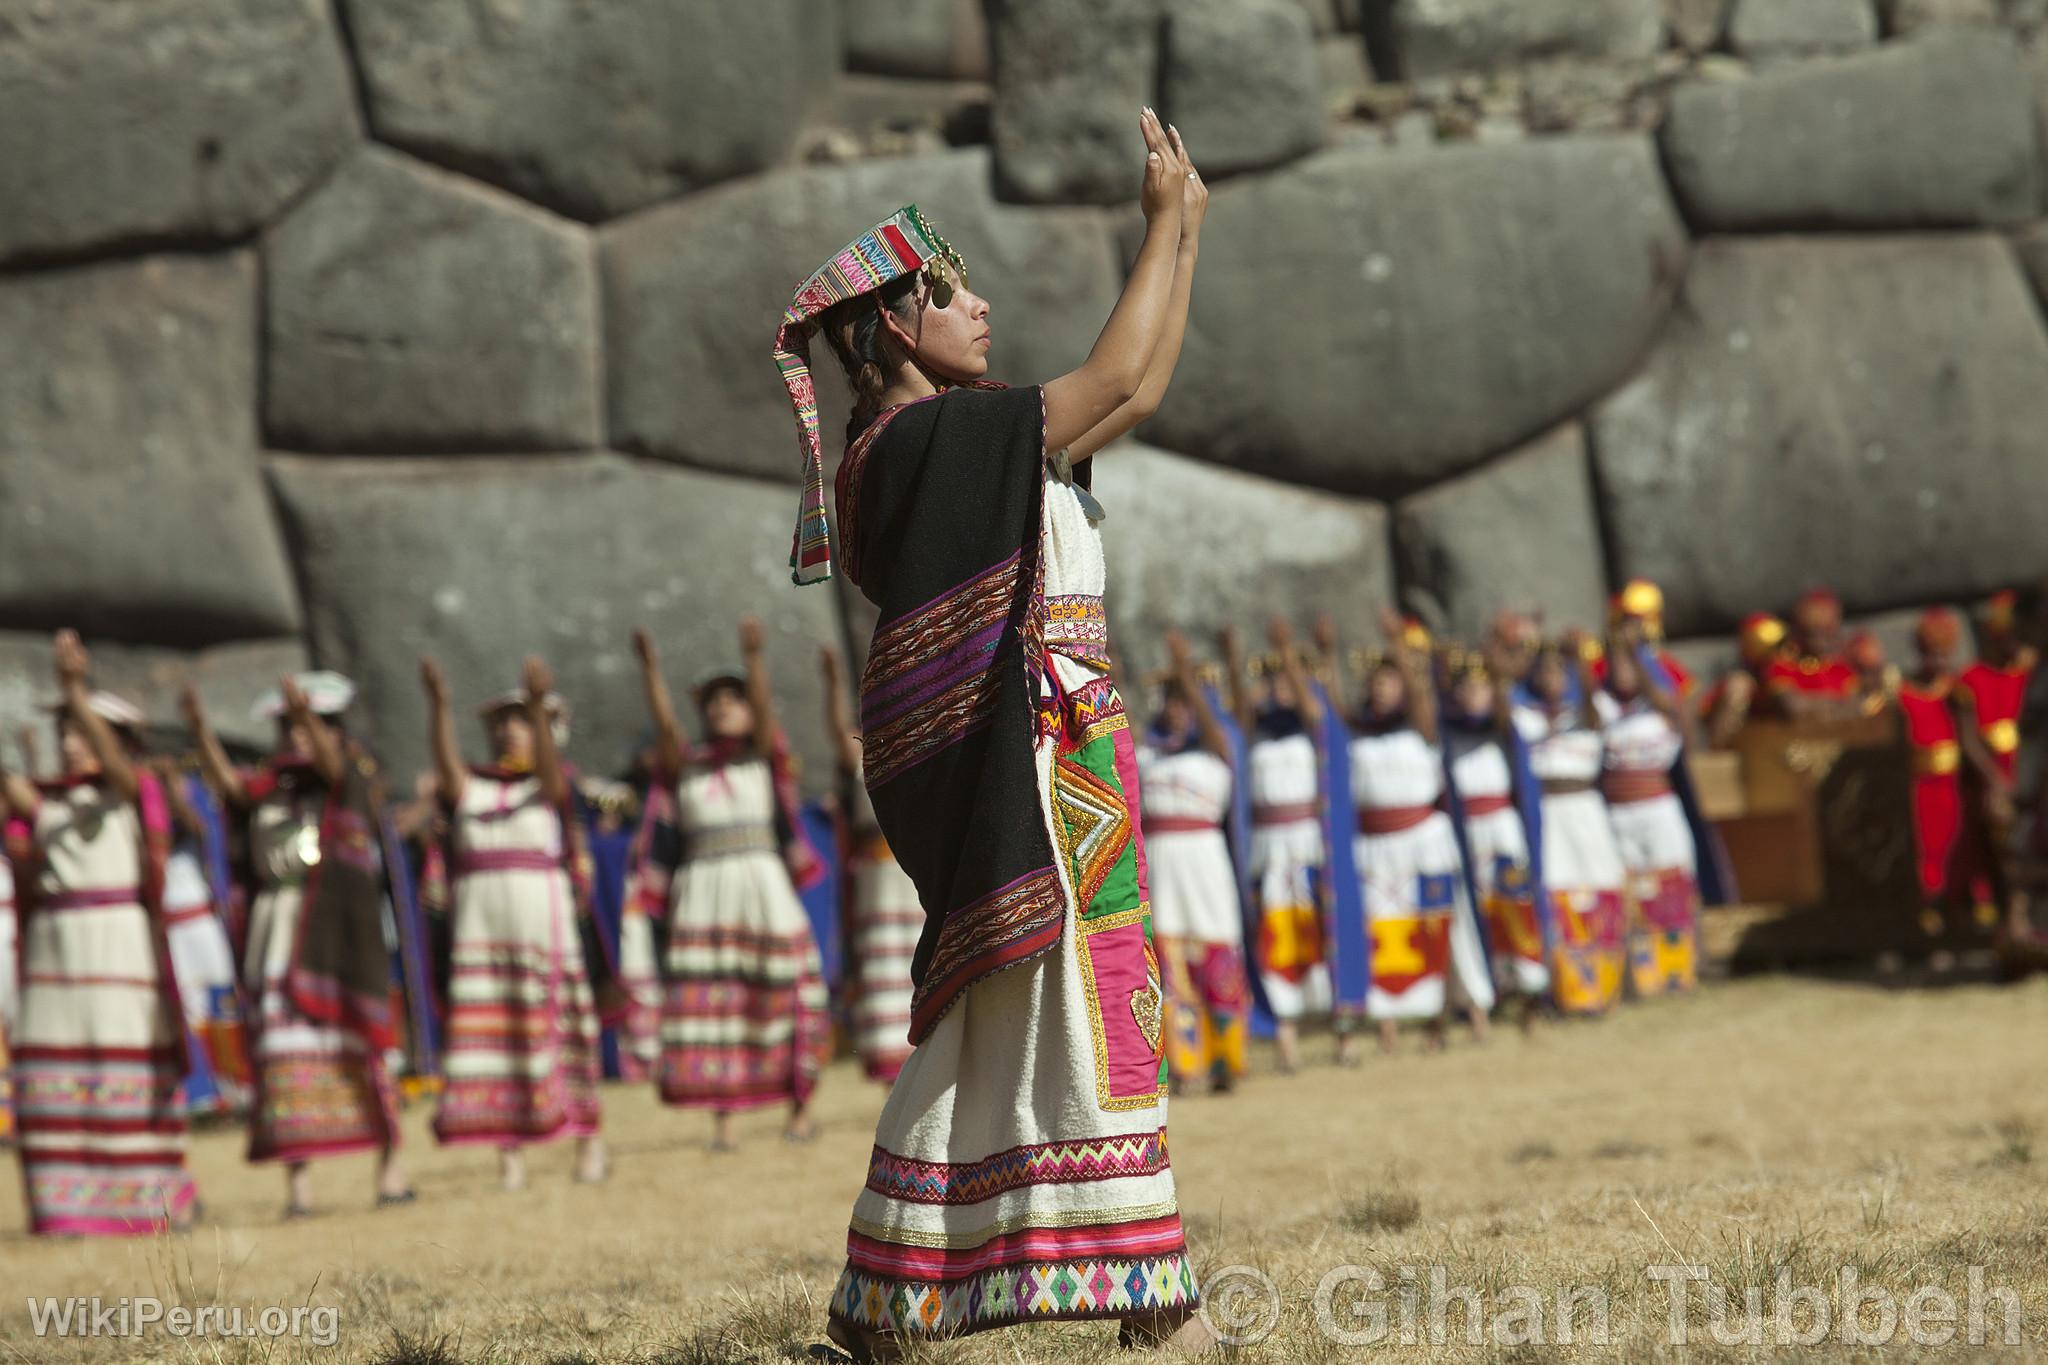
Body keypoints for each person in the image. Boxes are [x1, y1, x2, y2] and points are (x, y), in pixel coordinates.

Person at [782, 109, 1208, 1354]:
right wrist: (1159, 228)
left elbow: (1143, 386)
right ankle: (1138, 1294)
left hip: (1063, 747)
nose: (977, 311)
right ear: (891, 331)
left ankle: (904, 1298)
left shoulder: (956, 445)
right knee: (1062, 997)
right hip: (1030, 757)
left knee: (1041, 1008)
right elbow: (1116, 377)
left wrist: (1184, 238)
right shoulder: (921, 443)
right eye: (948, 295)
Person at [185, 671, 414, 1218]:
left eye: (308, 728)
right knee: (282, 1056)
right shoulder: (269, 792)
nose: (297, 739)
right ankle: (300, 1187)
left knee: (361, 1052)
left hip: (338, 936)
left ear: (335, 732)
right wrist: (200, 732)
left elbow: (336, 771)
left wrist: (306, 713)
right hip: (276, 934)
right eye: (287, 729)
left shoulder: (349, 781)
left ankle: (391, 1172)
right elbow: (233, 791)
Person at [2, 632, 197, 1234]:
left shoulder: (131, 792)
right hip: (55, 955)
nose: (70, 744)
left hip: (118, 947)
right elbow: (11, 785)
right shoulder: (48, 804)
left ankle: (148, 1203)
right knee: (57, 1071)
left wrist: (73, 691)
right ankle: (65, 1208)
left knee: (124, 1068)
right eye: (65, 733)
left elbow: (118, 769)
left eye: (82, 733)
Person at [631, 620, 828, 1151]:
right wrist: (650, 670)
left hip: (761, 879)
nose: (722, 706)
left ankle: (800, 1109)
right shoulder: (686, 769)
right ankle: (725, 1122)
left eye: (733, 698)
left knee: (788, 985)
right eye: (713, 700)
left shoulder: (765, 757)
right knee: (716, 1003)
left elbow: (764, 719)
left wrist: (754, 658)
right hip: (704, 888)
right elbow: (666, 730)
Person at [424, 657, 608, 1187]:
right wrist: (438, 706)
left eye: (520, 720)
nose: (509, 729)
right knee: (496, 1038)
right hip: (483, 935)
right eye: (501, 721)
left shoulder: (550, 788)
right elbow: (446, 766)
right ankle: (508, 1155)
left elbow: (551, 777)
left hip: (539, 930)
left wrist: (537, 707)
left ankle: (588, 1143)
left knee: (562, 1032)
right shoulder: (473, 789)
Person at [1346, 611, 1494, 1055]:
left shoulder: (1424, 724)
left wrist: (1397, 647)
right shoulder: (1359, 731)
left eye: (1391, 681)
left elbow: (1419, 700)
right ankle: (1387, 1024)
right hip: (1376, 845)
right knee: (1384, 932)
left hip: (1424, 840)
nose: (1382, 688)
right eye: (1377, 681)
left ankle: (1450, 1016)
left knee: (1440, 929)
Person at [1136, 630, 1250, 1093]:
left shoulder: (1218, 751)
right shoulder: (1147, 754)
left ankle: (1227, 1061)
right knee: (1171, 967)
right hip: (1164, 866)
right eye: (1171, 700)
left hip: (1205, 864)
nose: (1178, 708)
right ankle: (1185, 1065)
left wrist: (1188, 674)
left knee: (1218, 961)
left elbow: (1216, 722)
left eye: (1186, 701)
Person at [1224, 619, 1332, 1073]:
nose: (1277, 687)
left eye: (1284, 679)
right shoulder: (1259, 727)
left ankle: (1329, 1024)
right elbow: (1237, 712)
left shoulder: (1309, 723)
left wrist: (1287, 653)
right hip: (1269, 844)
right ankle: (1285, 1033)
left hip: (1305, 843)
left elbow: (1312, 707)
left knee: (1314, 930)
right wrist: (1233, 659)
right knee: (1273, 934)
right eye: (1270, 680)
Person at [820, 645, 925, 1084]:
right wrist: (833, 685)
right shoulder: (866, 758)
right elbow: (839, 734)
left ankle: (926, 1062)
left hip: (913, 872)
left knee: (920, 958)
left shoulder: (920, 750)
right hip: (878, 878)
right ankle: (890, 1072)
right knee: (884, 967)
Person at [1513, 635, 1629, 1015]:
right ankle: (1566, 989)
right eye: (1544, 671)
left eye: (1558, 671)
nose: (1552, 678)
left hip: (1586, 810)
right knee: (1557, 897)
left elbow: (1595, 713)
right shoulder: (1525, 716)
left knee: (1600, 890)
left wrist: (1580, 661)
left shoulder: (1588, 713)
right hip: (1548, 813)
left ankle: (1607, 985)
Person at [1599, 623, 1706, 997]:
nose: (1622, 670)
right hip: (1617, 813)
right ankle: (1640, 978)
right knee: (1630, 891)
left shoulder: (1659, 703)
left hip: (1658, 808)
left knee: (1670, 887)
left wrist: (1640, 660)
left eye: (1629, 663)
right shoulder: (1601, 705)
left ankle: (1678, 972)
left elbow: (1670, 704)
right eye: (1616, 662)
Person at [1441, 646, 1546, 1024]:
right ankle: (1489, 989)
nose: (1472, 696)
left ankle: (1531, 987)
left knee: (1514, 908)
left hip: (1502, 828)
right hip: (1466, 831)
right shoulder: (1446, 729)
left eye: (1479, 688)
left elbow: (1502, 713)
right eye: (1465, 689)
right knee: (1476, 911)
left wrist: (1499, 676)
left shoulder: (1502, 725)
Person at [1958, 590, 2038, 926]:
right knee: (2010, 855)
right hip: (1999, 781)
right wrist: (1995, 780)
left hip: (2035, 774)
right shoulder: (1971, 680)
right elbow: (1969, 738)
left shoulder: (2035, 672)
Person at [1898, 610, 1970, 935]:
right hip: (1918, 786)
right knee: (1924, 851)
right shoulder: (1902, 693)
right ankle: (1926, 913)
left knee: (1958, 846)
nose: (1938, 661)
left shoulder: (1958, 692)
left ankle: (1962, 912)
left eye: (1943, 654)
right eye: (1931, 654)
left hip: (1954, 786)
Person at [1762, 588, 1858, 720]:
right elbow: (1792, 707)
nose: (1822, 643)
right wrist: (1839, 704)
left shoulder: (1841, 668)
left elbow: (1858, 704)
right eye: (1813, 635)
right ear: (1796, 633)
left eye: (1830, 634)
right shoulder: (1782, 667)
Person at [1701, 612, 1788, 749]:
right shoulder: (1738, 680)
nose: (1776, 652)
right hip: (1738, 744)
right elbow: (1705, 709)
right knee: (1739, 685)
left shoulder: (1789, 667)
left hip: (1786, 744)